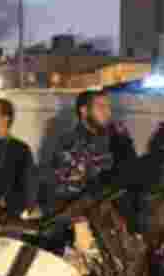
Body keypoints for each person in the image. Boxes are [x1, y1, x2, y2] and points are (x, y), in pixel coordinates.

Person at [41, 89, 118, 254]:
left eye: (108, 107)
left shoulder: (104, 142)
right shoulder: (72, 143)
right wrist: (79, 223)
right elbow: (65, 192)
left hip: (100, 225)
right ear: (84, 111)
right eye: (101, 107)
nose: (107, 112)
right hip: (72, 230)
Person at [0, 99, 35, 222]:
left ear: (6, 118)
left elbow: (29, 185)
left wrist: (17, 210)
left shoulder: (20, 149)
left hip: (9, 217)